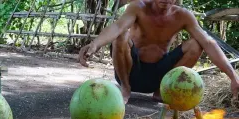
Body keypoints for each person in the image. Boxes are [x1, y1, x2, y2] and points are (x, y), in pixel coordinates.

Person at [78, 0, 239, 104]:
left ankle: (162, 91)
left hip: (160, 76)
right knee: (121, 36)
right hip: (131, 70)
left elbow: (208, 42)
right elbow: (118, 26)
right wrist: (95, 44)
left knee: (196, 44)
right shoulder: (137, 7)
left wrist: (233, 76)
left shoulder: (183, 15)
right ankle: (125, 89)